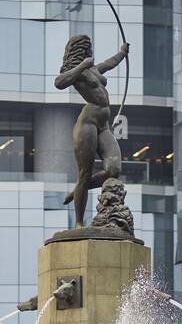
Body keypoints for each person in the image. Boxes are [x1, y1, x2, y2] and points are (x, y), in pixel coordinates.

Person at [54, 34, 129, 227]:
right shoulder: (77, 71)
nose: (89, 50)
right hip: (87, 123)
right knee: (84, 173)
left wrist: (122, 53)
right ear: (79, 50)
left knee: (114, 169)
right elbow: (59, 83)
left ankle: (80, 188)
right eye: (86, 47)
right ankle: (79, 222)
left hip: (103, 125)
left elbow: (109, 63)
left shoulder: (94, 69)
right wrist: (82, 66)